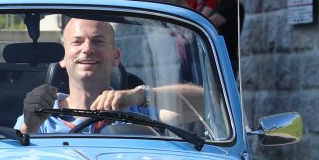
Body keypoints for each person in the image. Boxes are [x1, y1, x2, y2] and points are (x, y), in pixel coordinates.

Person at [17, 17, 203, 135]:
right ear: (63, 57)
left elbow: (207, 104)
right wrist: (30, 127)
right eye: (77, 42)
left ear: (116, 57)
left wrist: (140, 96)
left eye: (98, 41)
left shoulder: (139, 110)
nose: (87, 49)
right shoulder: (42, 114)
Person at [197, 0, 243, 72]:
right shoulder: (220, 5)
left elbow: (207, 24)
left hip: (226, 60)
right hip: (217, 59)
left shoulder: (232, 5)